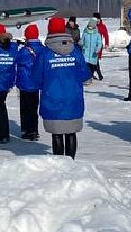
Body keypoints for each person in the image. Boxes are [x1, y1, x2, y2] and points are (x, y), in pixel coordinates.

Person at [33, 16, 89, 156]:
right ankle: (71, 162)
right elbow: (85, 74)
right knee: (71, 133)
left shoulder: (44, 54)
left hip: (52, 98)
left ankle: (60, 163)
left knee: (56, 133)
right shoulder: (76, 51)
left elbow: (36, 78)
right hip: (73, 98)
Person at [15, 23, 43, 140]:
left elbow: (16, 59)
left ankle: (27, 130)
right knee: (34, 108)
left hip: (25, 83)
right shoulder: (42, 49)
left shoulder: (24, 51)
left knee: (25, 108)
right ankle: (34, 130)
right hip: (36, 83)